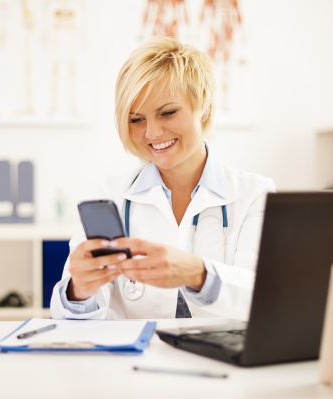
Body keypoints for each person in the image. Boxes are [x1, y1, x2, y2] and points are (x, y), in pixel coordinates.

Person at [50, 35, 275, 321]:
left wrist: (196, 273)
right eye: (136, 119)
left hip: (220, 361)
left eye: (167, 113)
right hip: (133, 362)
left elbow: (263, 297)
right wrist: (79, 290)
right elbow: (68, 317)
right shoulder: (110, 193)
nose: (152, 133)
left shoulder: (255, 193)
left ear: (203, 106)